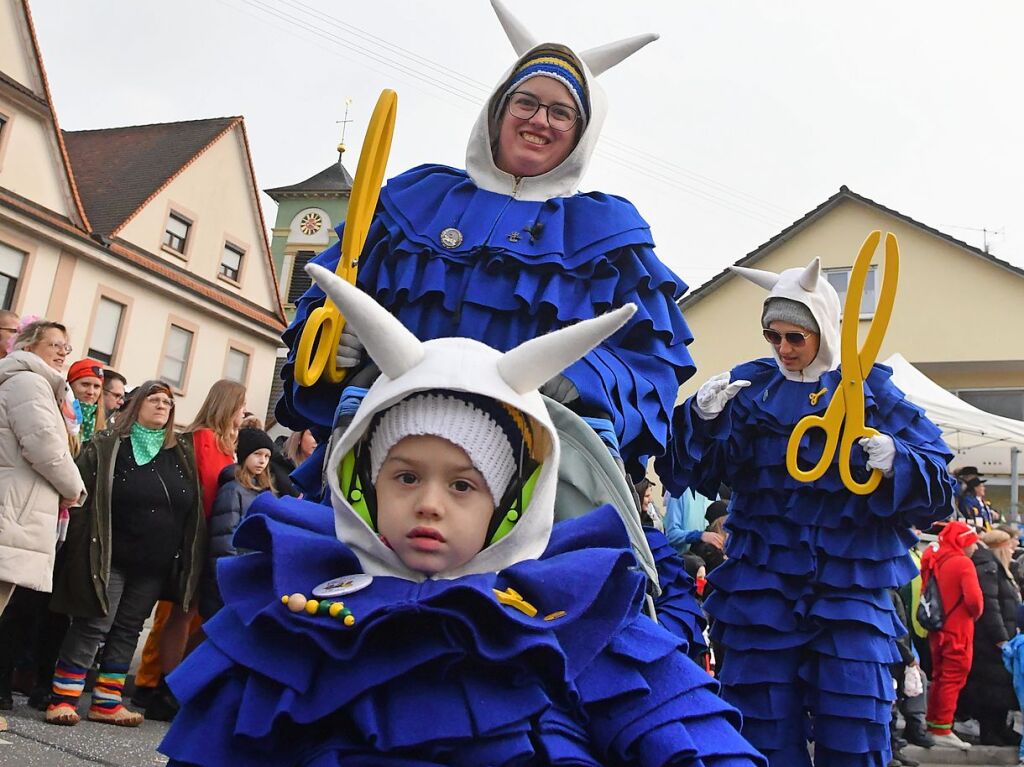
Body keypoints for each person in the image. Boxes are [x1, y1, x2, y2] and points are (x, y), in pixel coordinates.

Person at [158, 263, 764, 766]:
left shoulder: (575, 614)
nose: (429, 502)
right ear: (358, 481)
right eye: (405, 476)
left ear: (509, 505)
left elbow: (684, 731)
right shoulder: (297, 607)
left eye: (464, 485)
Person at [278, 0, 696, 499]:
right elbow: (325, 300)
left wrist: (582, 379)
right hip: (383, 459)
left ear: (582, 134)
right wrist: (331, 345)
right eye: (526, 102)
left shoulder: (609, 237)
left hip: (529, 477)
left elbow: (652, 365)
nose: (539, 120)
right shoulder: (414, 201)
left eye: (561, 112)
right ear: (498, 109)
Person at [656, 258, 956, 766]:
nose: (784, 349)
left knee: (854, 717)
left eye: (795, 336)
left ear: (822, 326)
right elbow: (693, 472)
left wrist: (896, 459)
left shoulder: (870, 389)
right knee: (760, 720)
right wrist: (700, 419)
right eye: (773, 337)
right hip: (762, 583)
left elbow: (938, 484)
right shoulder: (749, 388)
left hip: (851, 586)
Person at [44, 380, 204, 727]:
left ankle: (107, 701)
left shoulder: (180, 454)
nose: (163, 406)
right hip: (110, 554)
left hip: (154, 564)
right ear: (136, 405)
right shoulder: (109, 446)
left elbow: (191, 509)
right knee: (95, 622)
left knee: (129, 628)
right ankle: (64, 697)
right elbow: (84, 495)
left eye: (168, 402)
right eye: (155, 400)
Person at [134, 378, 247, 721]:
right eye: (240, 406)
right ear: (228, 406)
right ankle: (165, 687)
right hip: (195, 537)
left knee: (202, 614)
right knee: (182, 613)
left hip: (217, 539)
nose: (244, 413)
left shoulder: (229, 446)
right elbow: (201, 490)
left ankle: (178, 681)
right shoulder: (201, 440)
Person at [0, 319, 85, 732]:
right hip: (12, 508)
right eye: (54, 344)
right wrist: (74, 488)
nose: (62, 352)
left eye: (66, 347)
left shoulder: (36, 385)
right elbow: (45, 446)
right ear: (29, 345)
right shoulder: (28, 383)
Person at [199, 427, 276, 619]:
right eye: (257, 454)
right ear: (244, 454)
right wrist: (232, 576)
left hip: (251, 576)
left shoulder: (264, 492)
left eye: (266, 456)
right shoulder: (232, 490)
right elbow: (224, 538)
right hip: (231, 579)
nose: (262, 461)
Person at [920, 520, 983, 749]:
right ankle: (943, 727)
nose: (975, 548)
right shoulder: (962, 563)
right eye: (972, 542)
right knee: (954, 676)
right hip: (958, 629)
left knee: (939, 676)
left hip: (937, 628)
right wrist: (974, 615)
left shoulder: (933, 557)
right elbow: (975, 601)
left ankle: (934, 723)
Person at [959, 528, 1021, 745]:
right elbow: (991, 608)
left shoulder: (996, 569)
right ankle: (991, 730)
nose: (1013, 551)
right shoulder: (989, 569)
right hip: (991, 642)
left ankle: (1000, 728)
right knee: (992, 689)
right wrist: (1002, 639)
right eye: (1010, 546)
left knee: (1001, 687)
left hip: (1000, 639)